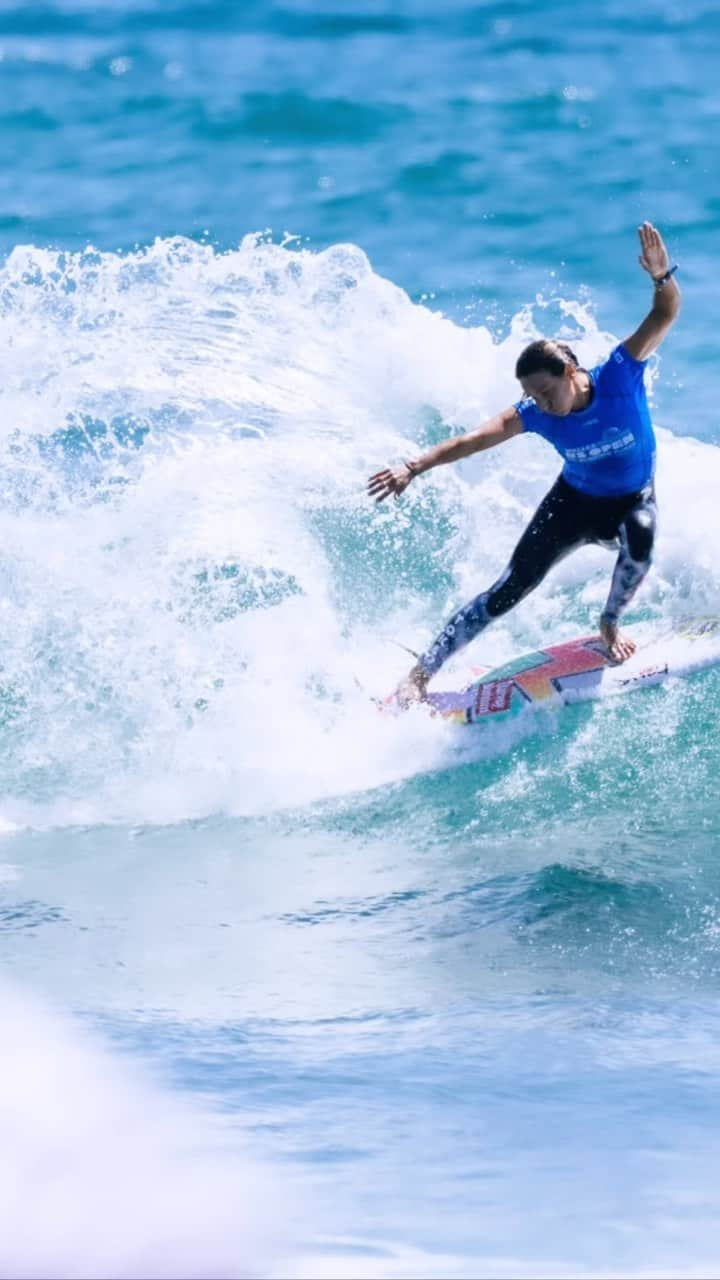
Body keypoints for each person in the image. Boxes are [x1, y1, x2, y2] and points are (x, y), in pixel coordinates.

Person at [368, 222, 681, 705]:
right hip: (574, 503)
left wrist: (662, 278)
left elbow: (663, 316)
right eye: (529, 394)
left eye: (545, 389)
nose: (538, 402)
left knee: (641, 535)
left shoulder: (620, 375)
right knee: (510, 588)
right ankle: (421, 672)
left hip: (631, 500)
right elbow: (473, 440)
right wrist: (414, 466)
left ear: (571, 373)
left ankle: (609, 623)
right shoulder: (537, 415)